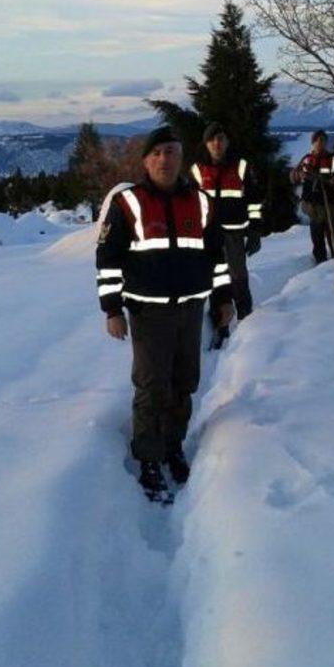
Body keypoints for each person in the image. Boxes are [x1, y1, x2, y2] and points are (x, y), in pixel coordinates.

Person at [96, 126, 233, 501]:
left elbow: (217, 258)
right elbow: (107, 260)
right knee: (152, 387)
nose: (164, 159)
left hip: (192, 309)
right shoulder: (128, 203)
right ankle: (149, 458)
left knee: (184, 382)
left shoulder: (202, 202)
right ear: (145, 160)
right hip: (147, 314)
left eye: (171, 151)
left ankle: (173, 445)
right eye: (156, 153)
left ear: (181, 158)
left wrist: (223, 300)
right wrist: (112, 310)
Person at [190, 122, 262, 343]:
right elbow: (190, 203)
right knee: (215, 280)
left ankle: (246, 322)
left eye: (221, 138)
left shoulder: (240, 167)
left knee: (238, 277)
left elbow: (254, 200)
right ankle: (220, 327)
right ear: (206, 143)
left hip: (234, 234)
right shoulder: (196, 170)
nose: (217, 143)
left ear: (227, 142)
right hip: (208, 236)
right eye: (212, 139)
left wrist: (255, 229)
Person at [290, 130, 334, 263]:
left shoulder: (332, 159)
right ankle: (320, 262)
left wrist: (333, 181)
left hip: (330, 203)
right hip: (313, 205)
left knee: (333, 235)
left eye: (323, 141)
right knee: (317, 236)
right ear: (313, 143)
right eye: (318, 141)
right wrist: (298, 175)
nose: (321, 144)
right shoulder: (307, 159)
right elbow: (294, 177)